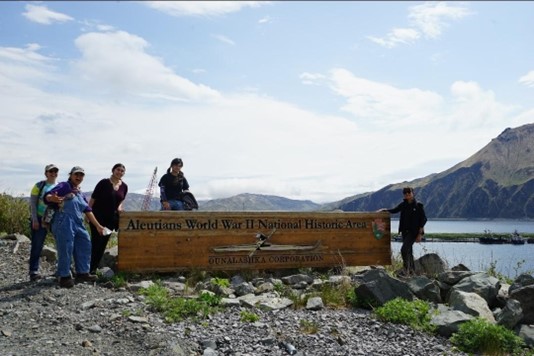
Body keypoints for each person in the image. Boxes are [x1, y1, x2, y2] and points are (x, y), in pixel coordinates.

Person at [45, 166, 105, 288]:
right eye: (76, 174)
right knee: (66, 248)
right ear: (71, 175)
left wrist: (98, 226)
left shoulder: (79, 193)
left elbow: (88, 210)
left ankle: (82, 273)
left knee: (85, 243)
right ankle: (64, 276)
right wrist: (52, 198)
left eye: (81, 175)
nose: (79, 177)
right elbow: (47, 196)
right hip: (64, 221)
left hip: (78, 223)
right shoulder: (64, 186)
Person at [88, 163, 128, 274]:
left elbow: (120, 202)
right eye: (118, 170)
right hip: (98, 217)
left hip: (111, 220)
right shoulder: (103, 183)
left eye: (122, 171)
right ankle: (87, 268)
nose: (119, 172)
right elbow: (92, 199)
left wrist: (120, 209)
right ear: (113, 170)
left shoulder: (124, 186)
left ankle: (93, 269)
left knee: (103, 244)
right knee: (96, 242)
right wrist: (88, 213)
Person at [379, 187, 427, 276]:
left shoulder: (418, 205)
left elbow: (423, 220)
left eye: (409, 193)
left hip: (413, 232)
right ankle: (411, 271)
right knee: (409, 251)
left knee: (404, 250)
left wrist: (420, 234)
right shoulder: (403, 204)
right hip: (404, 231)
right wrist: (385, 210)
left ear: (413, 193)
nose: (407, 195)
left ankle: (406, 268)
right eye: (405, 193)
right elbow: (394, 210)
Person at [28, 164, 59, 281]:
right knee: (37, 245)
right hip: (40, 219)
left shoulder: (59, 186)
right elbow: (33, 204)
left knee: (60, 245)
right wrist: (35, 220)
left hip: (55, 219)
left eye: (55, 171)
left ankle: (61, 269)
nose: (53, 173)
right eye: (51, 171)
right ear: (46, 173)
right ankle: (33, 271)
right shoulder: (39, 185)